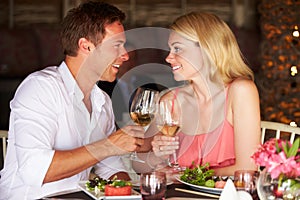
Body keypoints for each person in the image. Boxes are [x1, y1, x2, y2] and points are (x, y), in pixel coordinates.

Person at [0, 1, 145, 199]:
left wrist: (132, 192)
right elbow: (34, 170)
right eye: (116, 45)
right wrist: (109, 145)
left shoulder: (102, 101)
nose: (125, 55)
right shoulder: (41, 88)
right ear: (86, 46)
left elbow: (110, 167)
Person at [151, 12, 261, 176]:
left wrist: (186, 176)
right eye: (170, 49)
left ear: (206, 48)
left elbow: (247, 169)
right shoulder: (170, 101)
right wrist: (157, 154)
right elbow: (145, 164)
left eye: (177, 49)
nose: (168, 57)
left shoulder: (240, 91)